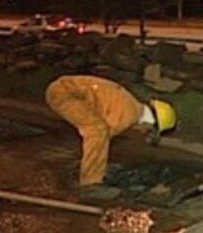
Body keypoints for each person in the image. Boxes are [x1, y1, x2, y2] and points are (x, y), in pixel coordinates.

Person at [46, 75, 177, 199]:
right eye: (148, 131)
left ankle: (87, 172)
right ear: (149, 123)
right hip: (64, 94)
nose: (143, 133)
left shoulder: (130, 106)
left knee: (97, 133)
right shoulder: (128, 115)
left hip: (64, 90)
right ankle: (90, 184)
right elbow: (101, 137)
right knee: (98, 132)